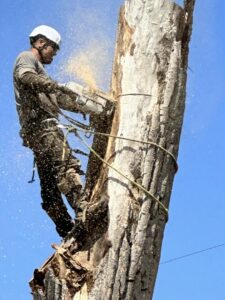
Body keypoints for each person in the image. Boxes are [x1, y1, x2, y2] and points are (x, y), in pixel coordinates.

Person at [13, 25, 88, 238]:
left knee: (49, 185)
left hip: (36, 133)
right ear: (41, 43)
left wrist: (79, 104)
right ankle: (84, 211)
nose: (54, 54)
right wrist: (55, 85)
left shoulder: (42, 74)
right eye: (52, 49)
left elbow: (55, 97)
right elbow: (25, 77)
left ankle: (66, 228)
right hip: (44, 128)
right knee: (66, 166)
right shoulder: (27, 58)